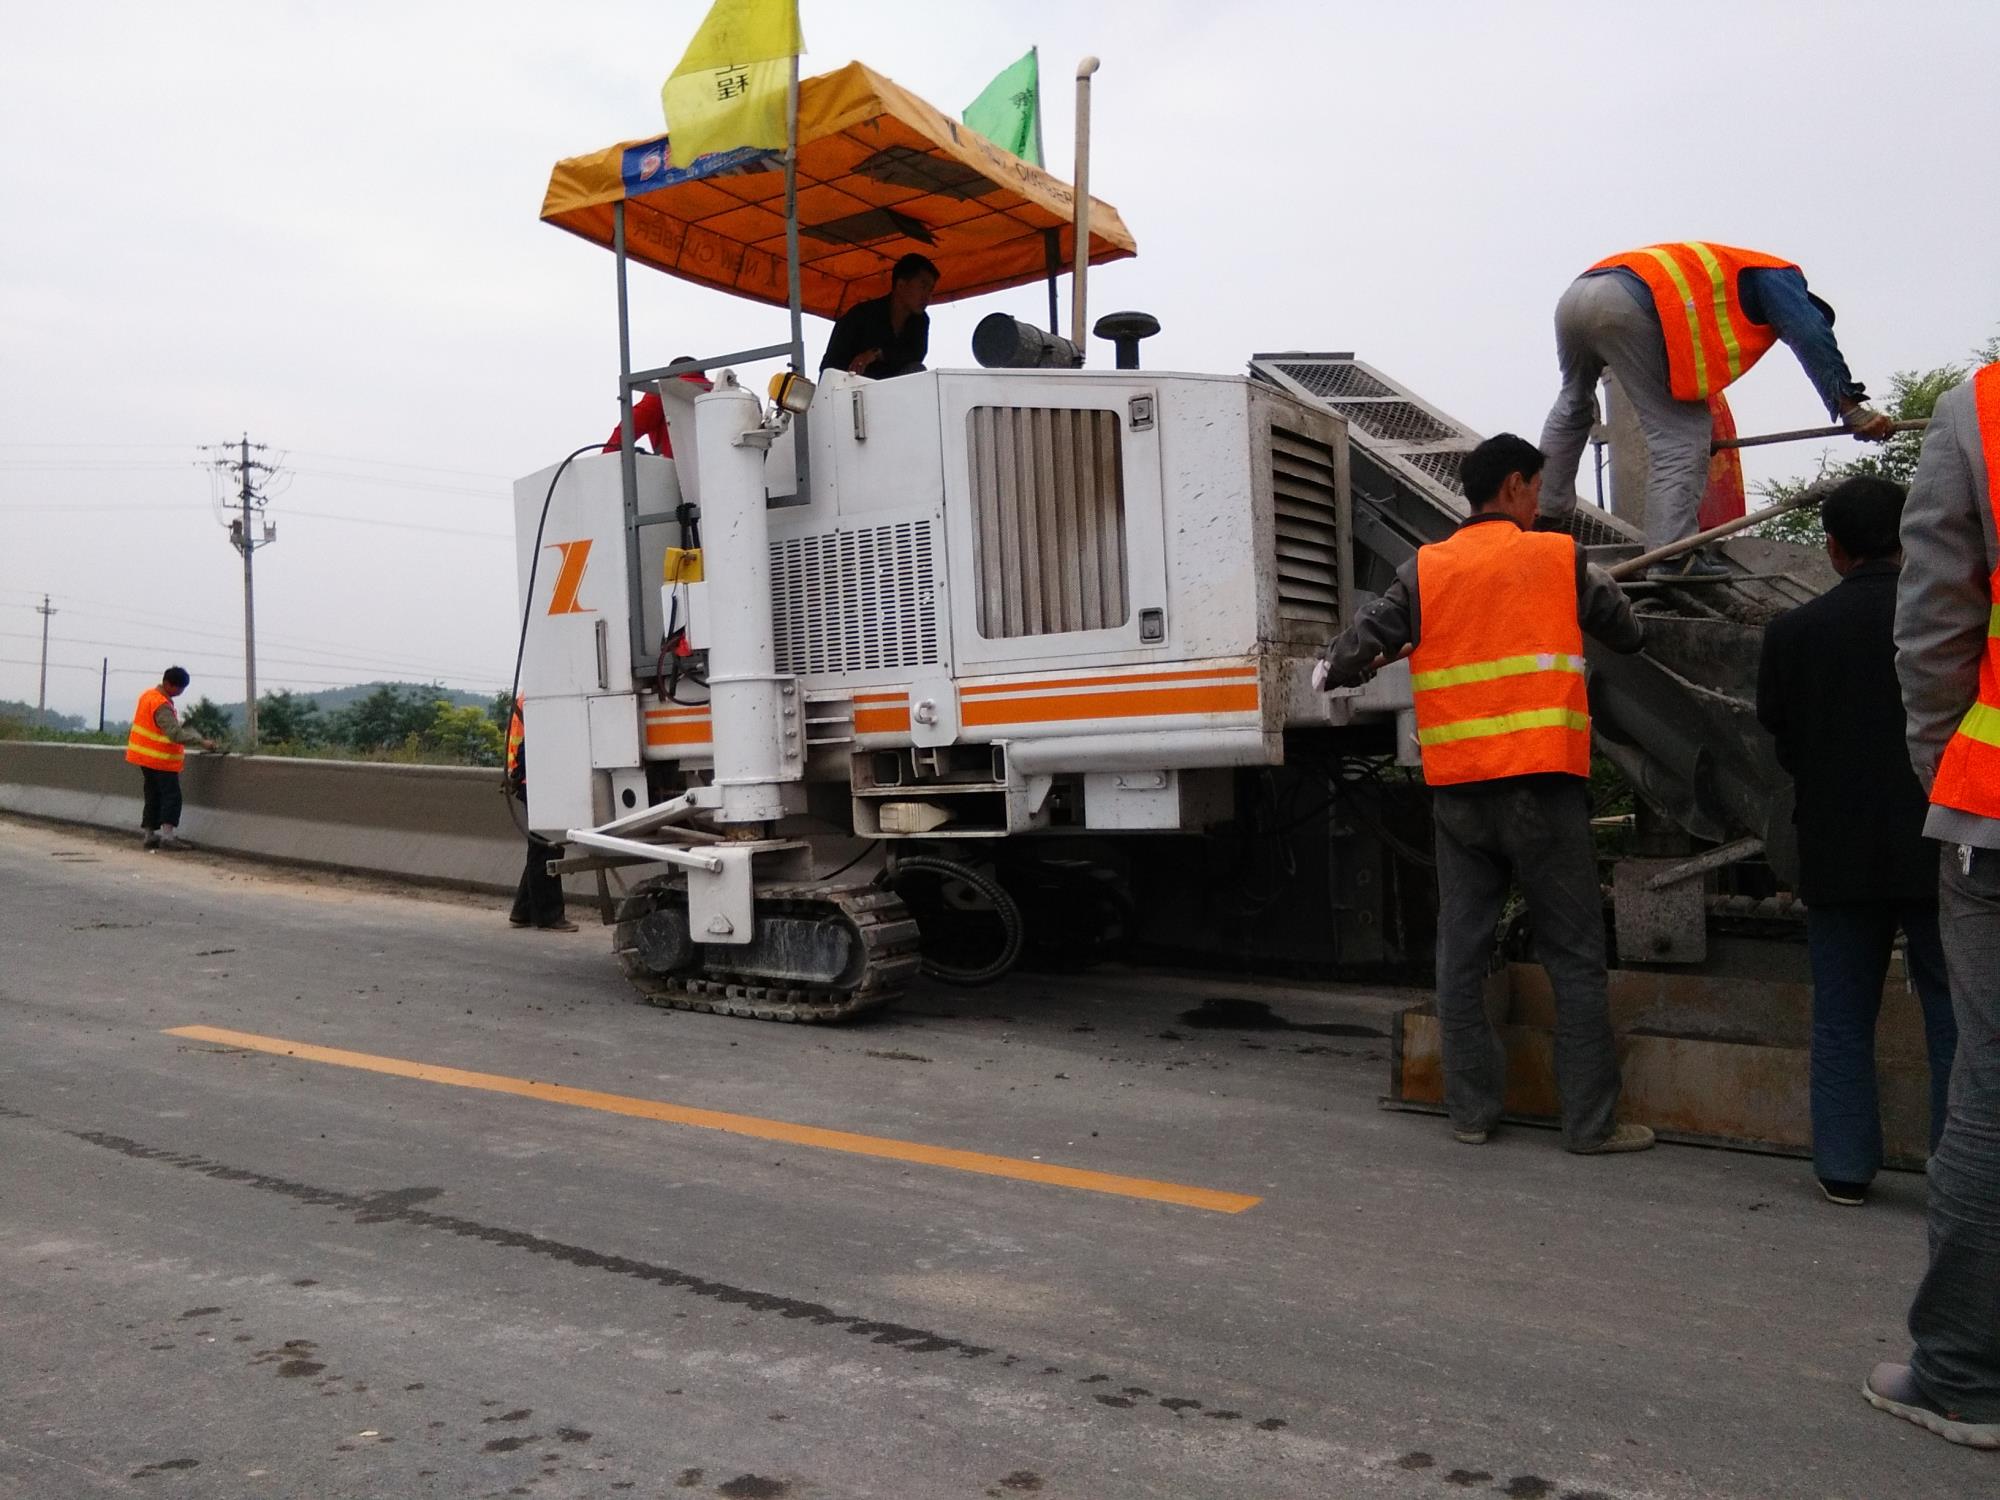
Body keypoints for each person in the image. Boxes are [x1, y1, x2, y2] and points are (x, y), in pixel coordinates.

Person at [1317, 434, 1653, 1154]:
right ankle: (1590, 1125)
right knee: (1573, 956)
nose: (1540, 501)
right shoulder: (1557, 557)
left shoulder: (1425, 568)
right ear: (1512, 486)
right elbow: (1627, 634)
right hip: (1543, 786)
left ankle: (1471, 1113)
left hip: (1462, 793)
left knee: (1460, 954)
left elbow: (1353, 652)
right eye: (1536, 487)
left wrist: (1328, 675)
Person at [1755, 476, 1957, 1207]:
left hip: (1836, 850)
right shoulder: (1949, 620)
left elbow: (1782, 738)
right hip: (1940, 841)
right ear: (1909, 539)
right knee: (1954, 1012)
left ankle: (1844, 1168)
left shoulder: (1792, 633)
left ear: (1832, 548)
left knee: (1842, 1012)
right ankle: (1958, 1169)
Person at [1866, 360, 2000, 1448]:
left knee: (1991, 1094)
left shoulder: (1986, 410)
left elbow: (1933, 635)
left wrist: (1948, 781)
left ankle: (1960, 1374)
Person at [1537, 243, 1894, 580]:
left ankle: (1545, 514)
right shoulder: (1781, 277)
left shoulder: (1725, 279)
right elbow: (1810, 333)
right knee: (1680, 437)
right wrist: (1851, 408)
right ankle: (1672, 557)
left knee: (1573, 403)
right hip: (1630, 302)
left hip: (1577, 297)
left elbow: (1687, 371)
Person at [123, 666, 216, 852]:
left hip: (145, 757)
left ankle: (149, 835)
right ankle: (167, 836)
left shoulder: (147, 696)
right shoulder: (161, 704)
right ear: (167, 684)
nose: (181, 692)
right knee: (171, 797)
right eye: (179, 688)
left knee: (152, 795)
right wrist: (201, 742)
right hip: (161, 759)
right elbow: (174, 733)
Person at [506, 698, 576, 932]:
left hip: (529, 778)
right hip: (536, 779)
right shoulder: (541, 693)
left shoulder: (528, 693)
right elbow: (532, 742)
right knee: (547, 846)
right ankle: (548, 916)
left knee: (540, 846)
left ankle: (523, 910)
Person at [819, 253, 938, 380]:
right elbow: (830, 366)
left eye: (930, 290)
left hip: (894, 392)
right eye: (923, 287)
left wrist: (876, 354)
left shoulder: (920, 320)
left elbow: (915, 355)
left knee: (917, 370)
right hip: (853, 389)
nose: (927, 297)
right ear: (901, 285)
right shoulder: (861, 315)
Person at [602, 358, 712, 457]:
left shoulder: (666, 391)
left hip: (677, 472)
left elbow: (633, 424)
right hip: (719, 468)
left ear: (670, 374)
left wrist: (607, 457)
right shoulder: (719, 394)